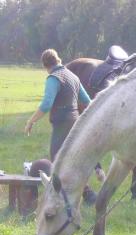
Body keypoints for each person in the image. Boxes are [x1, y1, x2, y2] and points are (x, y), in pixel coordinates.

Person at [24, 49, 96, 204]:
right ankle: (87, 195)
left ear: (45, 65)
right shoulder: (73, 76)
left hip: (61, 125)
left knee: (57, 162)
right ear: (58, 60)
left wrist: (31, 121)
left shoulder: (53, 78)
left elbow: (46, 104)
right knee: (73, 160)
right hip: (75, 122)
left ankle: (61, 196)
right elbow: (87, 101)